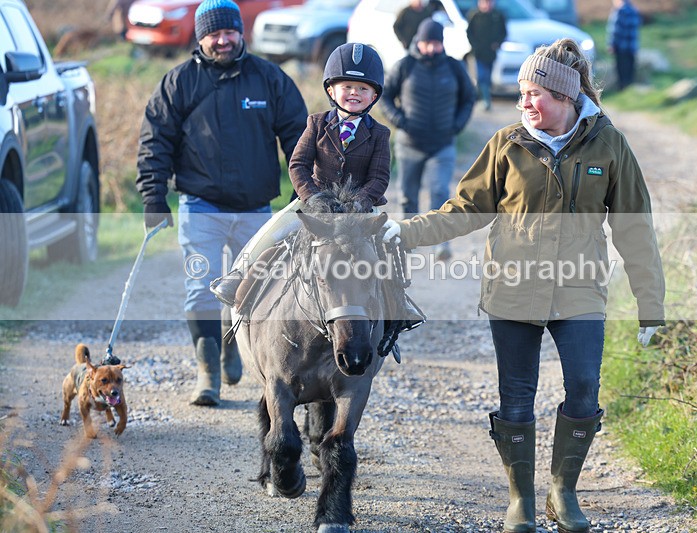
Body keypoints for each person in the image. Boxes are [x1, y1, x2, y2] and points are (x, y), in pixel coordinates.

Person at [382, 38, 665, 533]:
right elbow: (465, 210)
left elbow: (634, 227)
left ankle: (564, 492)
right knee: (516, 396)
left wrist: (651, 304)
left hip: (579, 288)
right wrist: (403, 233)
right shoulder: (507, 144)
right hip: (513, 287)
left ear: (565, 97)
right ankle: (521, 500)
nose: (525, 104)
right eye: (521, 94)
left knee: (582, 388)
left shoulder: (608, 144)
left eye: (535, 93)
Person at [135, 0, 308, 407]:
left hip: (256, 212)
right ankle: (207, 374)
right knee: (201, 290)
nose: (223, 39)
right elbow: (154, 142)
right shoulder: (178, 83)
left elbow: (300, 138)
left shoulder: (269, 79)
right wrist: (153, 197)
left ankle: (234, 346)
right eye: (213, 33)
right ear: (200, 38)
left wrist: (306, 189)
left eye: (229, 31)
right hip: (201, 208)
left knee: (256, 291)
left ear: (239, 32)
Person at [210, 42, 391, 313]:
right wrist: (313, 197)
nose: (355, 93)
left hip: (360, 211)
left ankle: (396, 305)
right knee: (272, 232)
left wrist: (360, 202)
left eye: (363, 89)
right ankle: (239, 275)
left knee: (388, 247)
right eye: (347, 87)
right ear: (331, 90)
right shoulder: (316, 124)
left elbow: (379, 178)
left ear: (374, 95)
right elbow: (298, 164)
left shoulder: (379, 134)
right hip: (314, 203)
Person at [381, 18, 475, 261]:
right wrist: (400, 120)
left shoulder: (454, 67)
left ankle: (440, 244)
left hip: (442, 145)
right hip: (409, 144)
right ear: (418, 42)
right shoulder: (405, 66)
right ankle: (405, 241)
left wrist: (457, 125)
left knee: (439, 192)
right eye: (427, 43)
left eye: (436, 43)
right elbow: (385, 97)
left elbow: (468, 98)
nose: (431, 48)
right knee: (407, 196)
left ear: (442, 44)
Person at [466, 0, 507, 111]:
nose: (486, 5)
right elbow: (469, 32)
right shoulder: (474, 15)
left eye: (489, 2)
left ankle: (483, 96)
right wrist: (475, 46)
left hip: (491, 53)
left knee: (487, 76)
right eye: (484, 2)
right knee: (481, 76)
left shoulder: (497, 16)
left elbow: (503, 32)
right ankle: (486, 100)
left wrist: (497, 43)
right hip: (479, 53)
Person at [607, 0, 641, 90]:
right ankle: (630, 90)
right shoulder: (634, 10)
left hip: (620, 47)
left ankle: (622, 90)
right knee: (630, 71)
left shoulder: (619, 11)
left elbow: (615, 30)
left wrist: (612, 44)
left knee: (621, 71)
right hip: (631, 47)